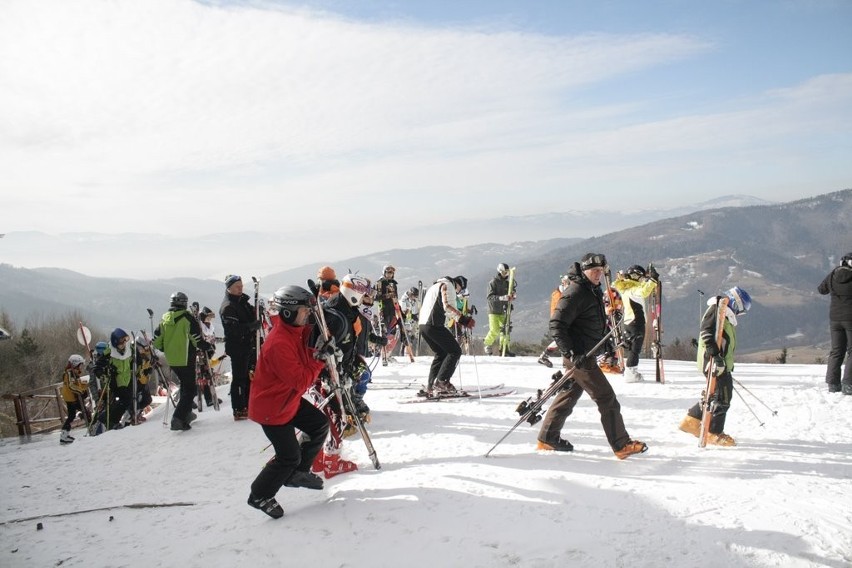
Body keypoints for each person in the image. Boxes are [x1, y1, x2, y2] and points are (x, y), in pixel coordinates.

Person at [537, 253, 648, 459]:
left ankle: (547, 437)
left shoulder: (592, 289)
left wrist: (607, 346)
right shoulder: (576, 291)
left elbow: (592, 324)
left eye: (601, 271)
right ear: (584, 271)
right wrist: (570, 352)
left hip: (584, 354)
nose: (598, 275)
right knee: (607, 398)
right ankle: (621, 444)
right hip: (579, 357)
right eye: (594, 271)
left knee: (568, 395)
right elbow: (557, 325)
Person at [247, 286, 330, 519]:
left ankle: (297, 473)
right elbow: (301, 381)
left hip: (286, 401)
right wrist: (320, 360)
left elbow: (306, 342)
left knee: (319, 425)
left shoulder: (293, 331)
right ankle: (259, 495)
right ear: (288, 313)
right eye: (304, 312)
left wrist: (321, 340)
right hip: (272, 409)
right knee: (288, 456)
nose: (307, 316)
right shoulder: (279, 344)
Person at [678, 286, 752, 446]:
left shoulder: (724, 313)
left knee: (716, 394)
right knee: (723, 397)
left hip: (719, 363)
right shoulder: (717, 309)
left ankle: (691, 420)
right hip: (714, 362)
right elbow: (706, 332)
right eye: (742, 309)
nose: (740, 313)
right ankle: (714, 432)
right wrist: (716, 356)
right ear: (737, 302)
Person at [154, 291, 209, 431]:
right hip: (186, 358)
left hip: (171, 359)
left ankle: (186, 414)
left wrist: (167, 349)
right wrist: (207, 346)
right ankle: (178, 418)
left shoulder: (164, 320)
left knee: (185, 386)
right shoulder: (187, 318)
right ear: (184, 304)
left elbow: (157, 341)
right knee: (190, 389)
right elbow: (196, 338)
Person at [418, 275, 475, 394]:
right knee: (455, 351)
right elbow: (448, 306)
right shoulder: (448, 285)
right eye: (460, 289)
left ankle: (431, 384)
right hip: (433, 325)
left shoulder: (435, 286)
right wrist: (464, 320)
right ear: (458, 284)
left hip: (423, 325)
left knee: (442, 352)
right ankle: (442, 382)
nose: (459, 292)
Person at [220, 275, 260, 420]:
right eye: (237, 286)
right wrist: (251, 327)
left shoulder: (241, 302)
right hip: (237, 347)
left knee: (249, 376)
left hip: (247, 345)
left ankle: (248, 404)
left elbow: (249, 314)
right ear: (229, 288)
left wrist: (256, 312)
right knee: (239, 378)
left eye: (241, 286)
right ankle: (238, 407)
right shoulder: (228, 307)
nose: (240, 289)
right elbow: (233, 330)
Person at [612, 264, 659, 382]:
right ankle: (631, 373)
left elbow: (642, 287)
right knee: (635, 349)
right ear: (635, 276)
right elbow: (644, 291)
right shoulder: (633, 289)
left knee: (633, 347)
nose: (642, 280)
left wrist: (649, 280)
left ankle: (631, 370)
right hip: (636, 322)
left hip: (629, 321)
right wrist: (652, 280)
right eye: (640, 277)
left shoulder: (626, 288)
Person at [818, 252, 852, 394]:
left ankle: (833, 384)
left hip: (835, 319)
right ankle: (848, 384)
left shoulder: (833, 275)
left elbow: (821, 290)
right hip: (850, 318)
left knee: (837, 351)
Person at [483, 263, 516, 356]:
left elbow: (511, 292)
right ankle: (487, 343)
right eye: (504, 273)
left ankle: (504, 348)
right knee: (495, 329)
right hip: (493, 310)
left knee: (505, 329)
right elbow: (490, 297)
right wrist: (502, 298)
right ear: (500, 272)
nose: (506, 275)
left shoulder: (507, 283)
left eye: (507, 273)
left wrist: (512, 296)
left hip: (503, 310)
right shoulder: (493, 282)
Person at [538, 274, 569, 368]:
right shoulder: (558, 294)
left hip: (563, 319)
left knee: (566, 339)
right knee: (561, 339)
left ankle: (566, 361)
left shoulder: (563, 293)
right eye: (568, 282)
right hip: (559, 320)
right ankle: (544, 356)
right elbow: (560, 308)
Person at [59, 354, 89, 444]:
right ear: (75, 364)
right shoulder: (69, 373)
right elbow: (71, 386)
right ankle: (64, 436)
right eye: (80, 365)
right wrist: (81, 391)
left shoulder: (74, 373)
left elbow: (77, 383)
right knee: (82, 412)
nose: (81, 367)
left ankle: (64, 435)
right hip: (71, 398)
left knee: (74, 414)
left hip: (72, 397)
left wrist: (84, 387)